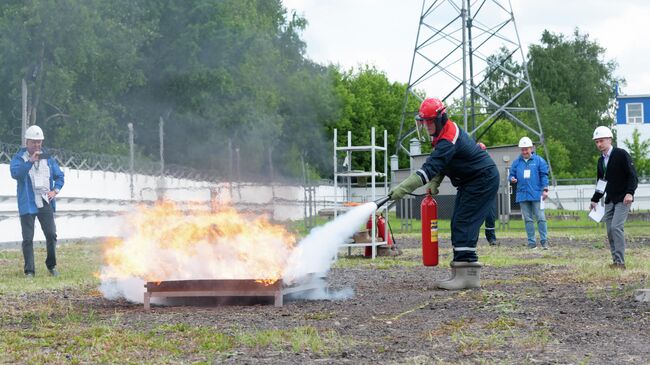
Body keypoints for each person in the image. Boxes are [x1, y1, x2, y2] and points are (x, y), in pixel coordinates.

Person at [389, 97, 499, 290]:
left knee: (464, 223)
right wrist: (435, 182)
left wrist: (402, 189)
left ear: (440, 118)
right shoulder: (443, 136)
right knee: (458, 222)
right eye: (424, 122)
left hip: (482, 180)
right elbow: (443, 163)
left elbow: (429, 168)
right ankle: (460, 272)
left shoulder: (447, 139)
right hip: (471, 182)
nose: (426, 126)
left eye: (430, 121)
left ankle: (468, 276)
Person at [10, 125, 65, 277]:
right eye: (34, 142)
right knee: (28, 238)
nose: (37, 145)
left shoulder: (48, 159)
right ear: (27, 142)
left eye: (39, 142)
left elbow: (59, 176)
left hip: (45, 201)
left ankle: (51, 266)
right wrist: (30, 162)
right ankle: (29, 271)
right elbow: (16, 174)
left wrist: (55, 190)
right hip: (28, 202)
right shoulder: (19, 158)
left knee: (51, 234)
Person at [589, 126, 637, 270]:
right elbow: (601, 182)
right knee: (610, 230)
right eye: (596, 142)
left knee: (616, 227)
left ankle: (621, 263)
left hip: (624, 198)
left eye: (601, 141)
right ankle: (615, 261)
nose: (599, 144)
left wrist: (630, 193)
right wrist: (595, 199)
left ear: (610, 139)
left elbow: (633, 175)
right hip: (609, 199)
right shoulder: (600, 161)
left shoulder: (621, 155)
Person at [509, 137, 549, 249]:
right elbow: (511, 174)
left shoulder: (539, 161)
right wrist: (511, 178)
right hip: (522, 195)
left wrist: (545, 190)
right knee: (528, 219)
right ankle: (531, 243)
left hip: (537, 194)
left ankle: (544, 241)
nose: (524, 152)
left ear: (531, 148)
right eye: (522, 149)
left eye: (526, 149)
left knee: (541, 217)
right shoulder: (516, 162)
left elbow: (544, 176)